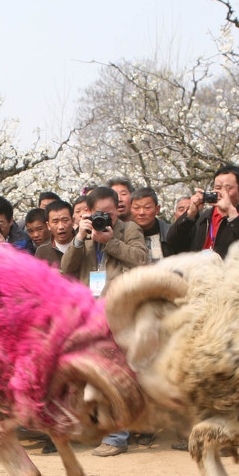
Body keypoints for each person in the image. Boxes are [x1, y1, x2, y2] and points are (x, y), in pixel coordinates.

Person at [60, 186, 148, 457]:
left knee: (115, 374)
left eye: (111, 213)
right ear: (88, 211)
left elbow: (141, 260)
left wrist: (110, 241)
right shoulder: (85, 234)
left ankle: (117, 437)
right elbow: (66, 268)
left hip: (119, 312)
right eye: (101, 213)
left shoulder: (129, 230)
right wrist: (79, 237)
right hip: (90, 314)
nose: (107, 218)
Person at [166, 164, 239, 256]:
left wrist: (231, 211)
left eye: (228, 188)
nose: (222, 193)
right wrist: (190, 214)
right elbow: (172, 242)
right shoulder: (201, 219)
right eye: (218, 188)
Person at [129, 188, 170, 262]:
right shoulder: (123, 234)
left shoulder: (169, 233)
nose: (141, 213)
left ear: (157, 209)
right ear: (130, 209)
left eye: (147, 208)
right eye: (136, 208)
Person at [35, 200, 76, 270]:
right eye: (55, 222)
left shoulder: (85, 245)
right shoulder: (43, 251)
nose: (61, 227)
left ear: (73, 221)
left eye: (65, 220)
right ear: (48, 225)